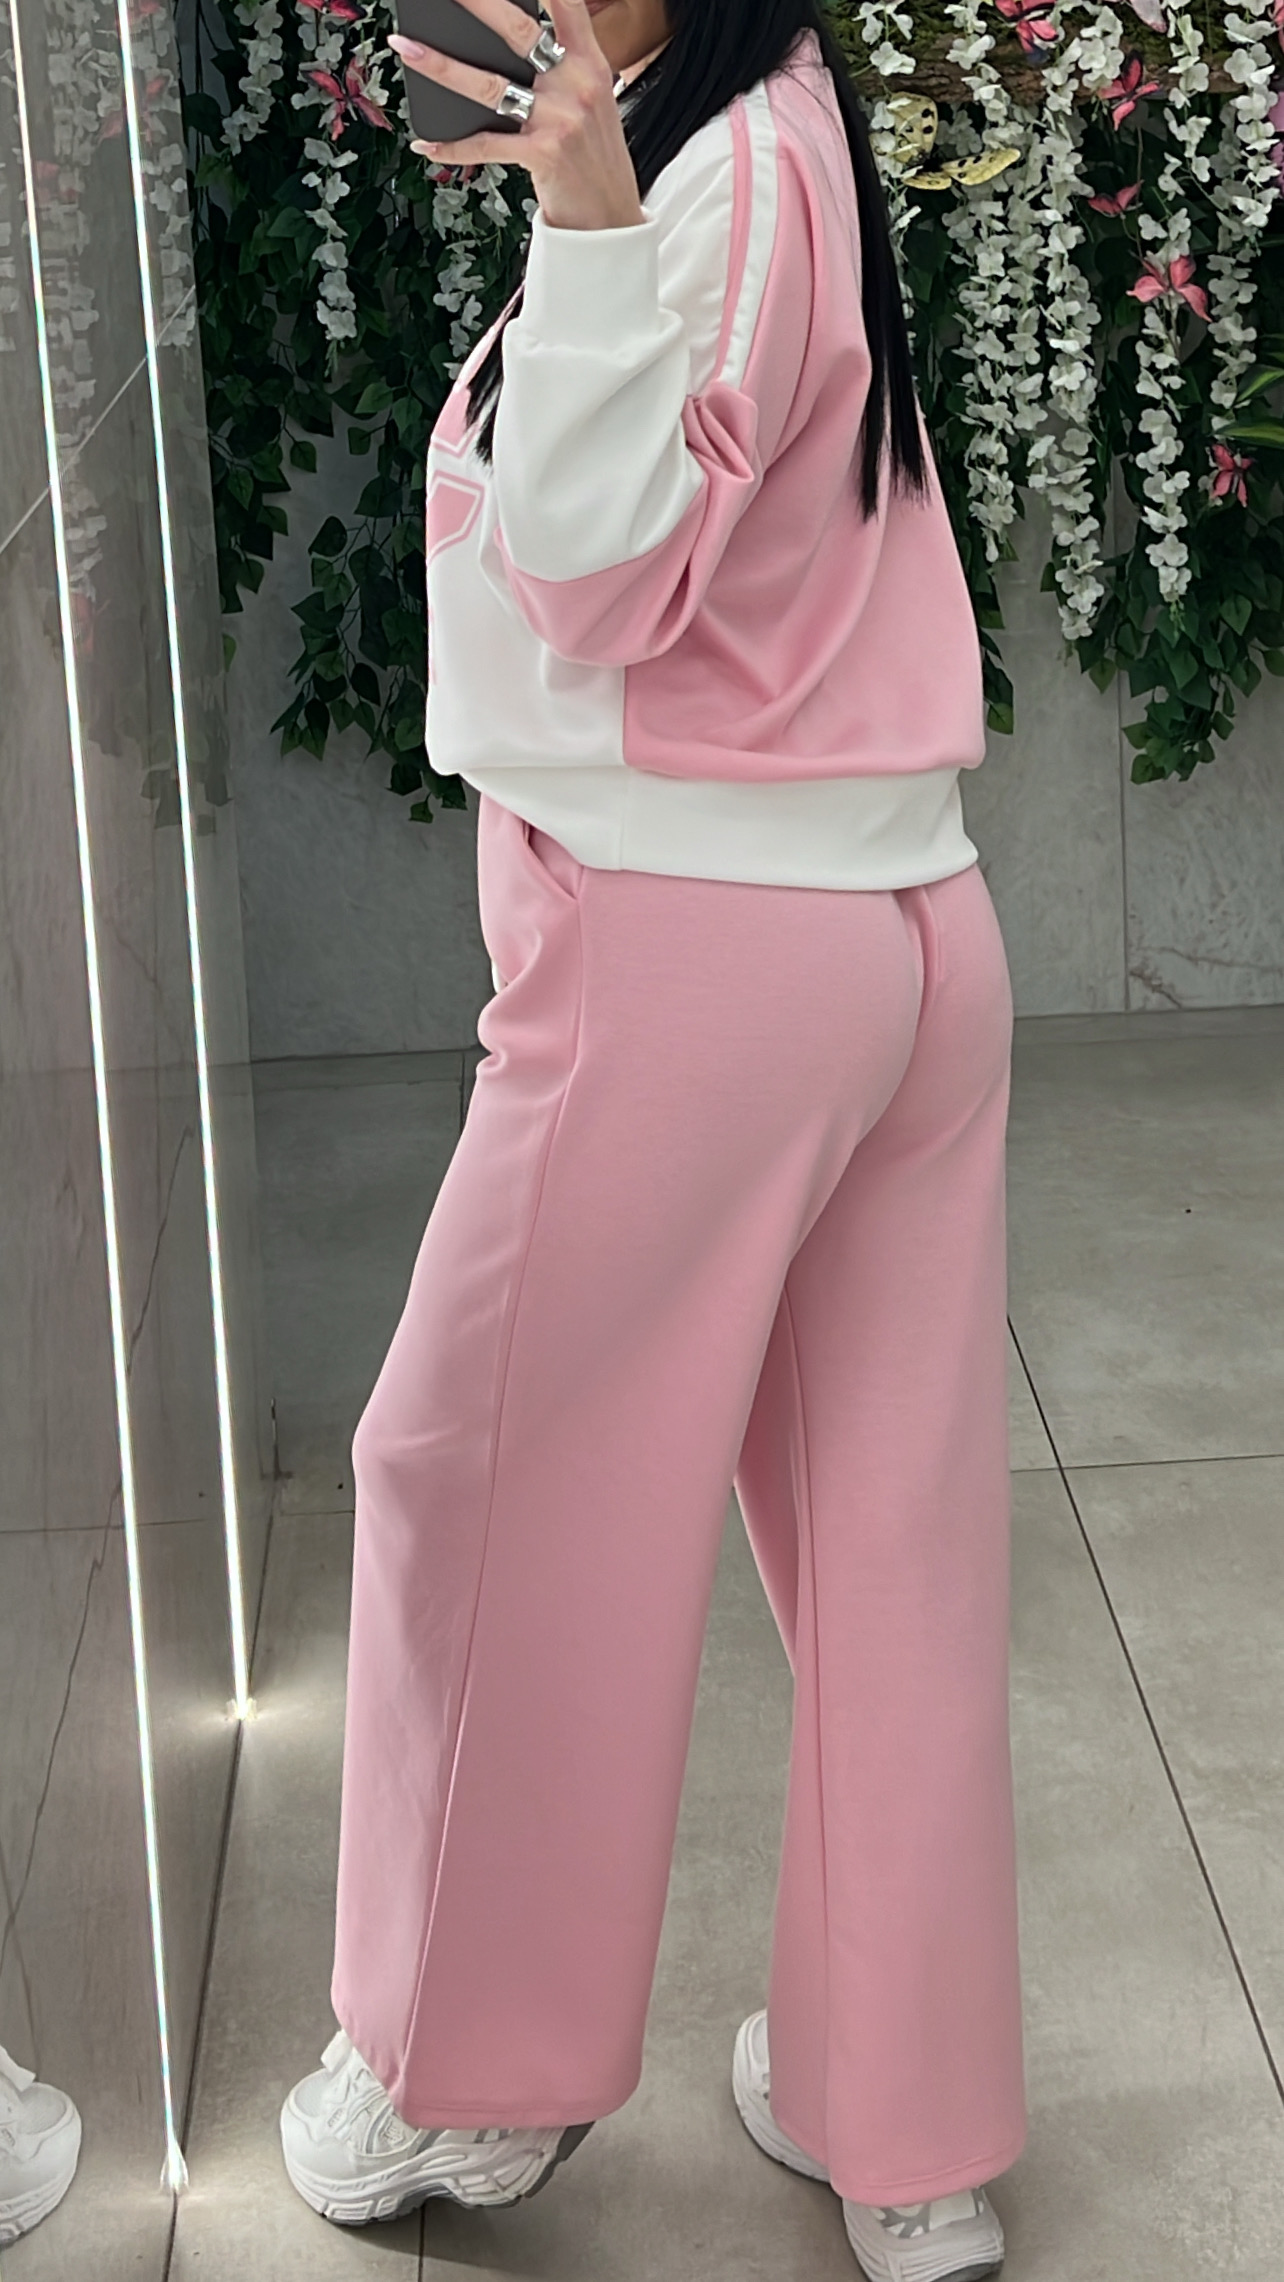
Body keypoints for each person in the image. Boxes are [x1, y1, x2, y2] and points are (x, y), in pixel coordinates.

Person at [279, 0, 1026, 2274]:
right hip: (899, 924)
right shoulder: (783, 127)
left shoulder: (703, 170)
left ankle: (460, 2076)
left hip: (689, 942)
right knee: (888, 1547)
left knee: (470, 1478)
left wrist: (585, 223)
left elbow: (601, 578)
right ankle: (905, 2127)